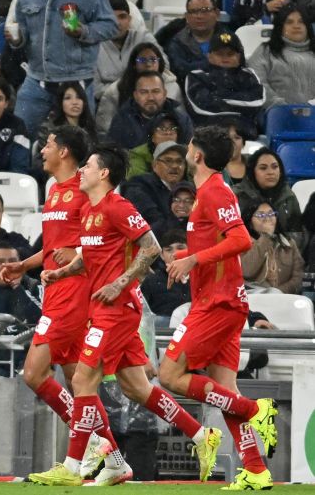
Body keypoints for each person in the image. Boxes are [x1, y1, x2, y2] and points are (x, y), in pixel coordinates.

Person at [30, 144, 221, 486]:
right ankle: (197, 436)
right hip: (103, 307)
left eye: (88, 166)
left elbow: (151, 247)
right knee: (137, 388)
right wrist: (62, 273)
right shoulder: (89, 210)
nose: (82, 171)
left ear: (104, 173)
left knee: (82, 381)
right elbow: (90, 257)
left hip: (116, 310)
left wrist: (119, 283)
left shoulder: (118, 207)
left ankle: (72, 467)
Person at [160, 125, 279, 491]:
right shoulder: (207, 192)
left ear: (197, 155)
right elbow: (216, 244)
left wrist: (193, 259)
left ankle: (256, 410)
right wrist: (186, 256)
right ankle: (255, 470)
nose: (186, 149)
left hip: (218, 302)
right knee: (225, 390)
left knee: (169, 376)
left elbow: (242, 239)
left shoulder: (215, 191)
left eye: (189, 145)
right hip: (219, 301)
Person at [0, 126, 106, 472]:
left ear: (64, 152)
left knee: (33, 373)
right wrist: (25, 265)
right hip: (55, 291)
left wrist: (76, 253)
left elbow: (101, 238)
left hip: (73, 293)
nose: (42, 150)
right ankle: (112, 456)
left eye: (47, 144)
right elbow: (54, 246)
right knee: (79, 382)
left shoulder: (85, 190)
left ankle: (91, 443)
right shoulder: (54, 191)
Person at [6, 0, 117, 138]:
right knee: (18, 136)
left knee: (82, 141)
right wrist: (17, 39)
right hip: (36, 81)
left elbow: (111, 26)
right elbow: (23, 29)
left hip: (78, 82)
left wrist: (83, 31)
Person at [184, 31, 265, 134]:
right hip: (208, 132)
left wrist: (218, 97)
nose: (225, 58)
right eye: (219, 54)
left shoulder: (249, 74)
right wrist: (238, 105)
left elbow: (257, 102)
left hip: (244, 132)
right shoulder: (196, 76)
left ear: (239, 56)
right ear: (209, 56)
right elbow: (201, 106)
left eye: (230, 54)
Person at [96, 42, 182, 138]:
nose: (148, 64)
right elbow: (104, 129)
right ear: (134, 64)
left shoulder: (172, 87)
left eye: (153, 59)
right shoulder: (115, 91)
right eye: (142, 60)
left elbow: (182, 122)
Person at [234, 147, 304, 246]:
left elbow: (297, 236)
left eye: (275, 167)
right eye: (263, 168)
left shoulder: (288, 197)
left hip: (283, 252)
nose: (271, 172)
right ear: (252, 172)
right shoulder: (237, 196)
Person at [108, 71, 193, 151]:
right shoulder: (122, 120)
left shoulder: (181, 120)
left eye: (156, 91)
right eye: (144, 92)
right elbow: (113, 154)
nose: (150, 97)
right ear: (135, 95)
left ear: (164, 94)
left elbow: (190, 154)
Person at [248, 5, 315, 108]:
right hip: (277, 113)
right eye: (289, 22)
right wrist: (284, 108)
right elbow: (257, 84)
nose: (296, 26)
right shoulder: (265, 51)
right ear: (280, 27)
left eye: (301, 22)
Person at [121, 141, 189, 241]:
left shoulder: (188, 188)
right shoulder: (139, 185)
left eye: (179, 161)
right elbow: (153, 221)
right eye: (168, 161)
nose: (175, 166)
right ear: (155, 165)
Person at [95, 0, 160, 101]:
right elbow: (96, 90)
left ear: (129, 20)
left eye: (122, 17)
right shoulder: (94, 45)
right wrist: (131, 90)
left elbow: (163, 67)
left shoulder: (143, 37)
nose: (117, 23)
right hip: (107, 102)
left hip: (144, 99)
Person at [242, 199, 304, 293]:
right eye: (261, 215)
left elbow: (298, 277)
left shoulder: (288, 243)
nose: (267, 219)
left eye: (271, 214)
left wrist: (277, 292)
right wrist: (266, 237)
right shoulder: (242, 243)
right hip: (254, 298)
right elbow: (247, 271)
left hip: (285, 297)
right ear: (250, 222)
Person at [166, 0, 230, 82]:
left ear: (217, 14)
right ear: (187, 17)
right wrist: (212, 62)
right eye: (193, 11)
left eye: (205, 10)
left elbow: (238, 64)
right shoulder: (177, 43)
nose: (199, 16)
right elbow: (180, 72)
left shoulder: (229, 38)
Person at [140, 229, 191, 323]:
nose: (175, 254)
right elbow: (142, 316)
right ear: (162, 255)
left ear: (191, 250)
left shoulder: (202, 278)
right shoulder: (151, 281)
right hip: (161, 331)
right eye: (169, 250)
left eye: (180, 248)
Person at [34, 82, 97, 156]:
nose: (75, 102)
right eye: (68, 98)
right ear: (60, 102)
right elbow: (44, 159)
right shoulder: (48, 129)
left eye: (79, 97)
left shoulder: (90, 127)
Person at [127, 113, 189, 179]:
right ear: (152, 137)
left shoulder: (187, 153)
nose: (168, 132)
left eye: (173, 128)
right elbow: (138, 181)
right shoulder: (139, 154)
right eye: (162, 128)